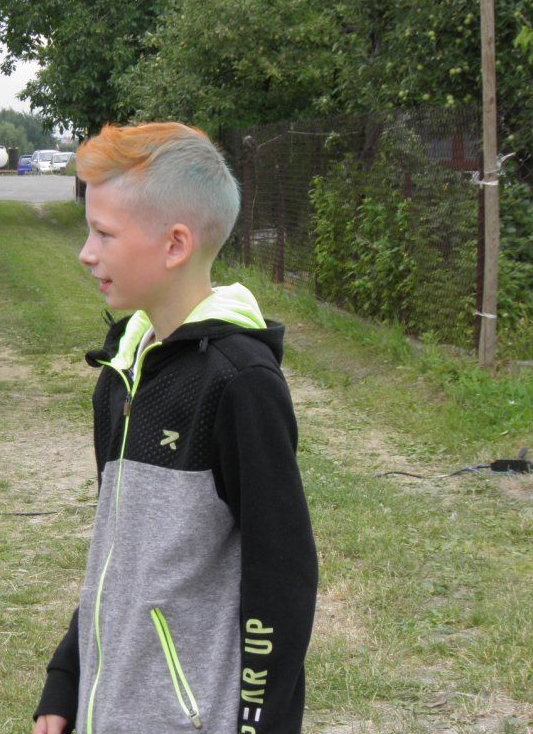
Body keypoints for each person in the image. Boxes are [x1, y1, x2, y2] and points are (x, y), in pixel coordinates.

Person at [32, 122, 318, 734]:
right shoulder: (122, 371)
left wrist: (262, 723)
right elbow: (118, 552)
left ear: (175, 245)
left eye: (104, 233)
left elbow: (283, 575)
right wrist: (66, 677)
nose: (86, 253)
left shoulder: (240, 383)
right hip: (109, 710)